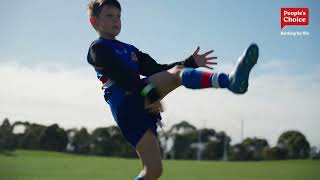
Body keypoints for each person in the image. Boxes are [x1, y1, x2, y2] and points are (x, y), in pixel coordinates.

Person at [86, 0, 259, 179]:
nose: (116, 20)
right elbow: (124, 77)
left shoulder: (129, 49)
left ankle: (229, 82)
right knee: (178, 74)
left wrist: (190, 62)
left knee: (153, 171)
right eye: (109, 16)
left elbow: (157, 69)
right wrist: (152, 94)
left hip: (137, 105)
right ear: (94, 21)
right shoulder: (98, 49)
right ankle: (230, 82)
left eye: (118, 16)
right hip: (126, 102)